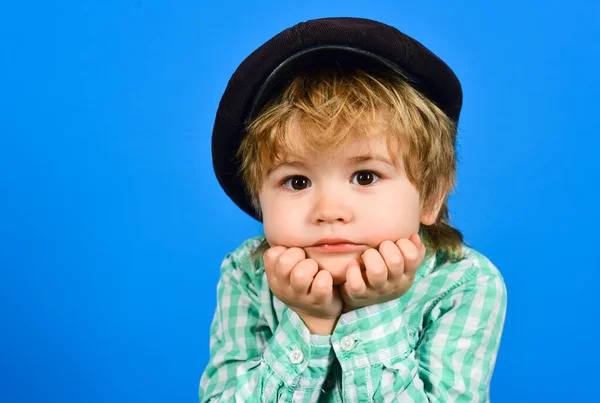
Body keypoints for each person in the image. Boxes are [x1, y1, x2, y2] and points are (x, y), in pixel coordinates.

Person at [200, 17, 507, 402]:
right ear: (260, 200)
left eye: (365, 177)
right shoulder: (247, 275)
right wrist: (309, 322)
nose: (329, 211)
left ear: (430, 198)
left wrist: (371, 309)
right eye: (297, 182)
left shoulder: (463, 284)